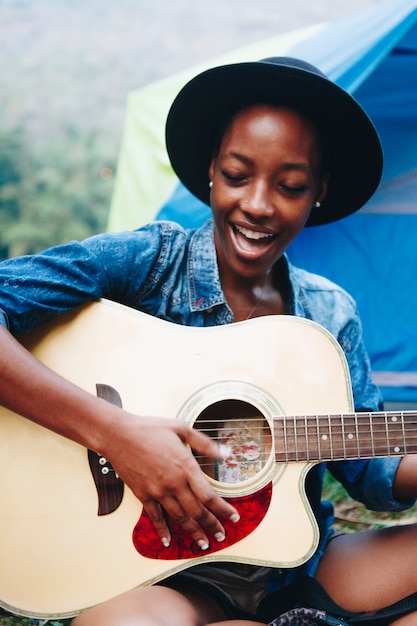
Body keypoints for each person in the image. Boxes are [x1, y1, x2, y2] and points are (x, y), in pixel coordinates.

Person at [1, 57, 417, 626]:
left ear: (319, 191)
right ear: (211, 173)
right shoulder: (149, 263)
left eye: (290, 185)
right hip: (160, 579)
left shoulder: (329, 313)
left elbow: (373, 471)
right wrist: (117, 434)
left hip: (293, 572)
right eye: (239, 175)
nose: (258, 204)